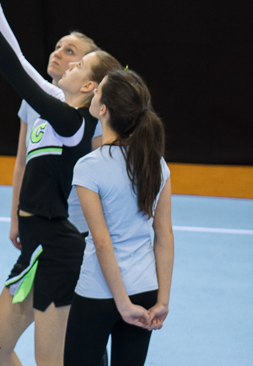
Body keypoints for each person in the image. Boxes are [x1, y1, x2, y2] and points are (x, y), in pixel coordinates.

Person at [0, 0, 120, 366]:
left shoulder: (72, 122)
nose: (66, 62)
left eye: (77, 62)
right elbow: (19, 61)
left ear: (89, 85)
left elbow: (14, 72)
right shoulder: (55, 103)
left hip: (58, 250)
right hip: (35, 245)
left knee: (52, 361)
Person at [64, 69, 173, 365]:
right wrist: (163, 300)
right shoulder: (157, 164)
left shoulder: (89, 166)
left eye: (98, 89)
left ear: (103, 110)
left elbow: (102, 242)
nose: (93, 91)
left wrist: (122, 304)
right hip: (145, 289)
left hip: (98, 292)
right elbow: (164, 235)